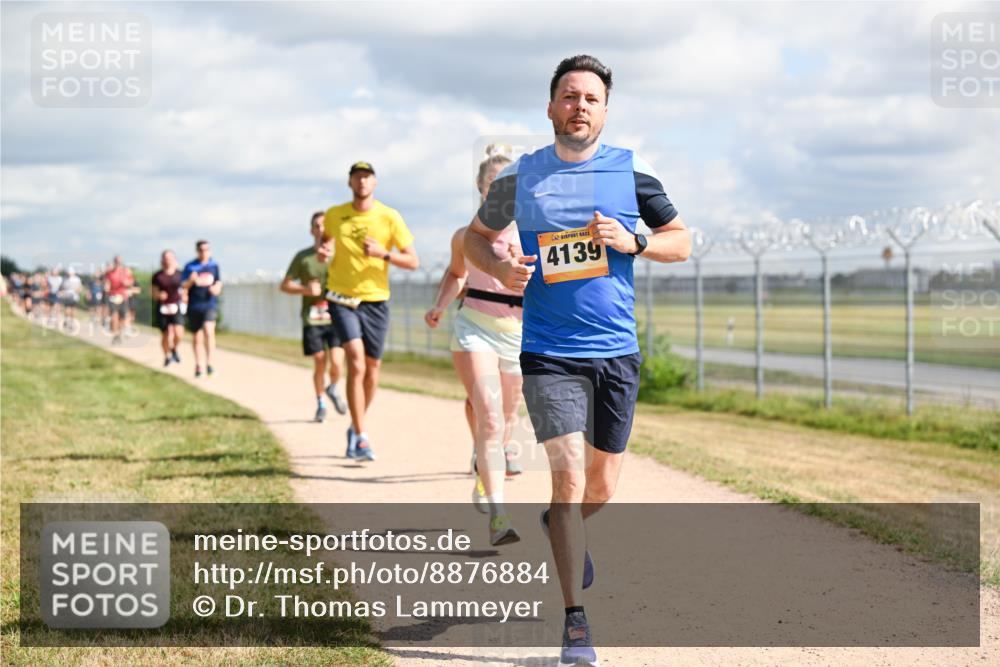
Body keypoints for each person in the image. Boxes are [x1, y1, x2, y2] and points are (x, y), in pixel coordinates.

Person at [464, 55, 691, 666]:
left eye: (591, 97)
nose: (580, 105)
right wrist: (501, 267)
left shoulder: (630, 171)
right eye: (569, 95)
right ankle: (575, 622)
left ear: (605, 110)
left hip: (616, 350)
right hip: (547, 351)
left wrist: (635, 239)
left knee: (601, 487)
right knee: (566, 474)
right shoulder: (522, 176)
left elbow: (683, 241)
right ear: (550, 107)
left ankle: (560, 524)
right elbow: (473, 238)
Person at [425, 145, 525, 546]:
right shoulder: (467, 236)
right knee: (488, 415)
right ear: (481, 190)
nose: (499, 192)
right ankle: (499, 516)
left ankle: (487, 469)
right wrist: (438, 306)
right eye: (492, 186)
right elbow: (455, 273)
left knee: (506, 414)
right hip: (475, 327)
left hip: (518, 333)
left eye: (507, 186)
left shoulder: (533, 232)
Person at [324, 161, 419, 461]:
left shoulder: (389, 216)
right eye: (357, 177)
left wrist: (383, 253)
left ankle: (355, 426)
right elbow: (324, 246)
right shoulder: (334, 215)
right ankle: (363, 438)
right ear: (349, 183)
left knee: (372, 370)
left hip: (376, 300)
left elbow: (413, 261)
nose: (362, 182)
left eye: (367, 177)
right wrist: (323, 252)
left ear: (375, 182)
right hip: (341, 298)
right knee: (356, 361)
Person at [281, 212, 348, 423]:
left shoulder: (341, 254)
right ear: (311, 230)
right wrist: (305, 290)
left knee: (337, 363)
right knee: (320, 362)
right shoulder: (303, 257)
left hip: (337, 315)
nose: (321, 229)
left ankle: (333, 387)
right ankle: (320, 403)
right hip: (313, 318)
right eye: (317, 226)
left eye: (325, 225)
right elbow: (285, 285)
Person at [182, 240, 222, 378]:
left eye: (207, 249)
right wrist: (191, 281)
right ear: (197, 251)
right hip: (194, 305)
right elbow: (183, 286)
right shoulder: (190, 266)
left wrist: (217, 288)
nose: (204, 252)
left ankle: (210, 364)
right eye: (201, 249)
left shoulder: (214, 265)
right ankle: (198, 365)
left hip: (209, 304)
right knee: (197, 336)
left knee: (209, 331)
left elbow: (218, 282)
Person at [152, 250, 186, 367]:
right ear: (162, 260)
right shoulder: (157, 276)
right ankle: (167, 356)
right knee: (165, 335)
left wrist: (185, 297)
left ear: (174, 259)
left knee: (179, 333)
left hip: (176, 306)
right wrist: (158, 295)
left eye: (170, 258)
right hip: (163, 308)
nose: (168, 260)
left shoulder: (180, 274)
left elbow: (185, 289)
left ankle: (174, 349)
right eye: (165, 258)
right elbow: (153, 292)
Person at [104, 256, 135, 345]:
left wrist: (127, 283)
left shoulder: (126, 271)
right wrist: (107, 287)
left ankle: (118, 334)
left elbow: (131, 282)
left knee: (122, 318)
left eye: (119, 261)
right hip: (113, 296)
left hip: (123, 297)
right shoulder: (110, 272)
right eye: (116, 261)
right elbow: (107, 283)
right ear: (114, 262)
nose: (118, 263)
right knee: (114, 316)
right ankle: (115, 335)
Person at [59, 267, 83, 332]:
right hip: (67, 297)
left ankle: (71, 321)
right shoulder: (64, 279)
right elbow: (61, 288)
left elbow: (80, 288)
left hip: (74, 297)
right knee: (67, 309)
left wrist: (75, 291)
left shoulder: (77, 279)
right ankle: (67, 320)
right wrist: (63, 292)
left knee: (73, 309)